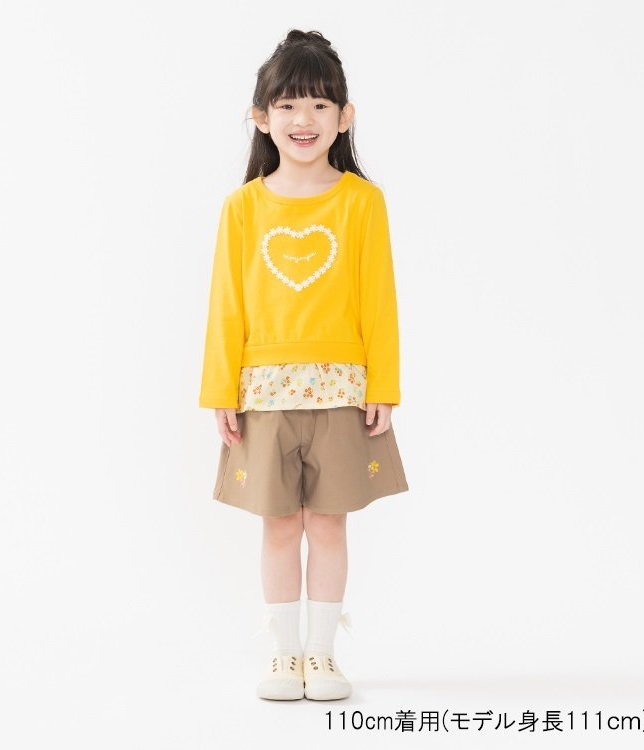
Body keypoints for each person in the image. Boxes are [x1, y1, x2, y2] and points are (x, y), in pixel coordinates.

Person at [198, 28, 409, 701]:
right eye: (288, 104)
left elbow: (378, 298)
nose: (304, 119)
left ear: (345, 117)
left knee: (328, 524)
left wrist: (384, 384)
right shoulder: (242, 207)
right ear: (262, 117)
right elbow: (226, 305)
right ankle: (284, 655)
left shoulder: (362, 202)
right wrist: (220, 390)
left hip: (342, 390)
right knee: (280, 526)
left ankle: (322, 656)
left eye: (320, 104)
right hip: (262, 393)